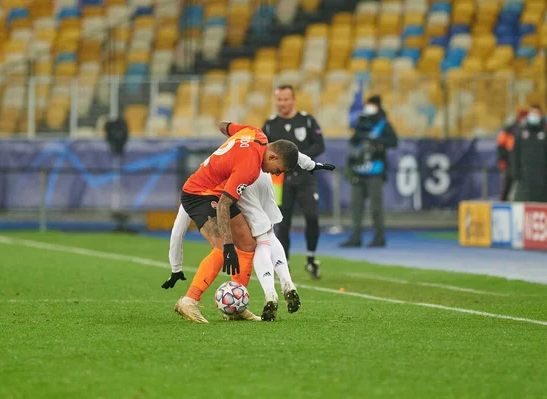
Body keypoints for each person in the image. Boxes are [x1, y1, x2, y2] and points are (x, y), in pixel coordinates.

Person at [164, 152, 335, 322]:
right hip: (229, 189)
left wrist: (176, 267)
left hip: (230, 190)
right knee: (243, 241)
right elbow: (280, 149)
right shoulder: (252, 142)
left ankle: (240, 306)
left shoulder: (220, 166)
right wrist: (309, 164)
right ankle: (190, 299)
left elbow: (178, 230)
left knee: (249, 243)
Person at [162, 121, 299, 323]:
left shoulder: (256, 133)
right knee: (220, 250)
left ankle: (236, 309)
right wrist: (227, 246)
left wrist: (228, 156)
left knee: (247, 244)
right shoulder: (250, 168)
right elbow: (224, 205)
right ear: (272, 156)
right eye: (278, 169)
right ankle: (190, 300)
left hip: (219, 193)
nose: (275, 174)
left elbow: (223, 126)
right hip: (199, 194)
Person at [262, 84, 326, 279]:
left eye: (286, 99)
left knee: (312, 217)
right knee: (283, 222)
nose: (282, 103)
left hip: (305, 179)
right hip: (281, 182)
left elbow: (320, 145)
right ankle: (284, 262)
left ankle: (311, 258)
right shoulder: (270, 124)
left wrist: (299, 159)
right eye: (279, 99)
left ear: (293, 100)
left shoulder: (307, 121)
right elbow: (262, 150)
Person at [340, 95, 398, 248]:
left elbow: (394, 141)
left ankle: (379, 237)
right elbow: (353, 143)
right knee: (356, 207)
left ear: (377, 106)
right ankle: (356, 237)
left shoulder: (383, 124)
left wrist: (376, 142)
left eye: (371, 104)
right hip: (359, 170)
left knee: (376, 208)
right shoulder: (360, 122)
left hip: (375, 170)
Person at [511, 105, 547, 202]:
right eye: (532, 113)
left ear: (541, 115)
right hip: (524, 178)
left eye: (536, 113)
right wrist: (515, 173)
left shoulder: (545, 132)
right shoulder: (521, 132)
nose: (534, 116)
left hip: (542, 180)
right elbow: (515, 154)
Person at [497, 109, 527, 201]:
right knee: (507, 184)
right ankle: (503, 203)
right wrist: (502, 160)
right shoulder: (509, 130)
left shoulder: (528, 131)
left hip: (523, 162)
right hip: (509, 161)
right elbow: (501, 145)